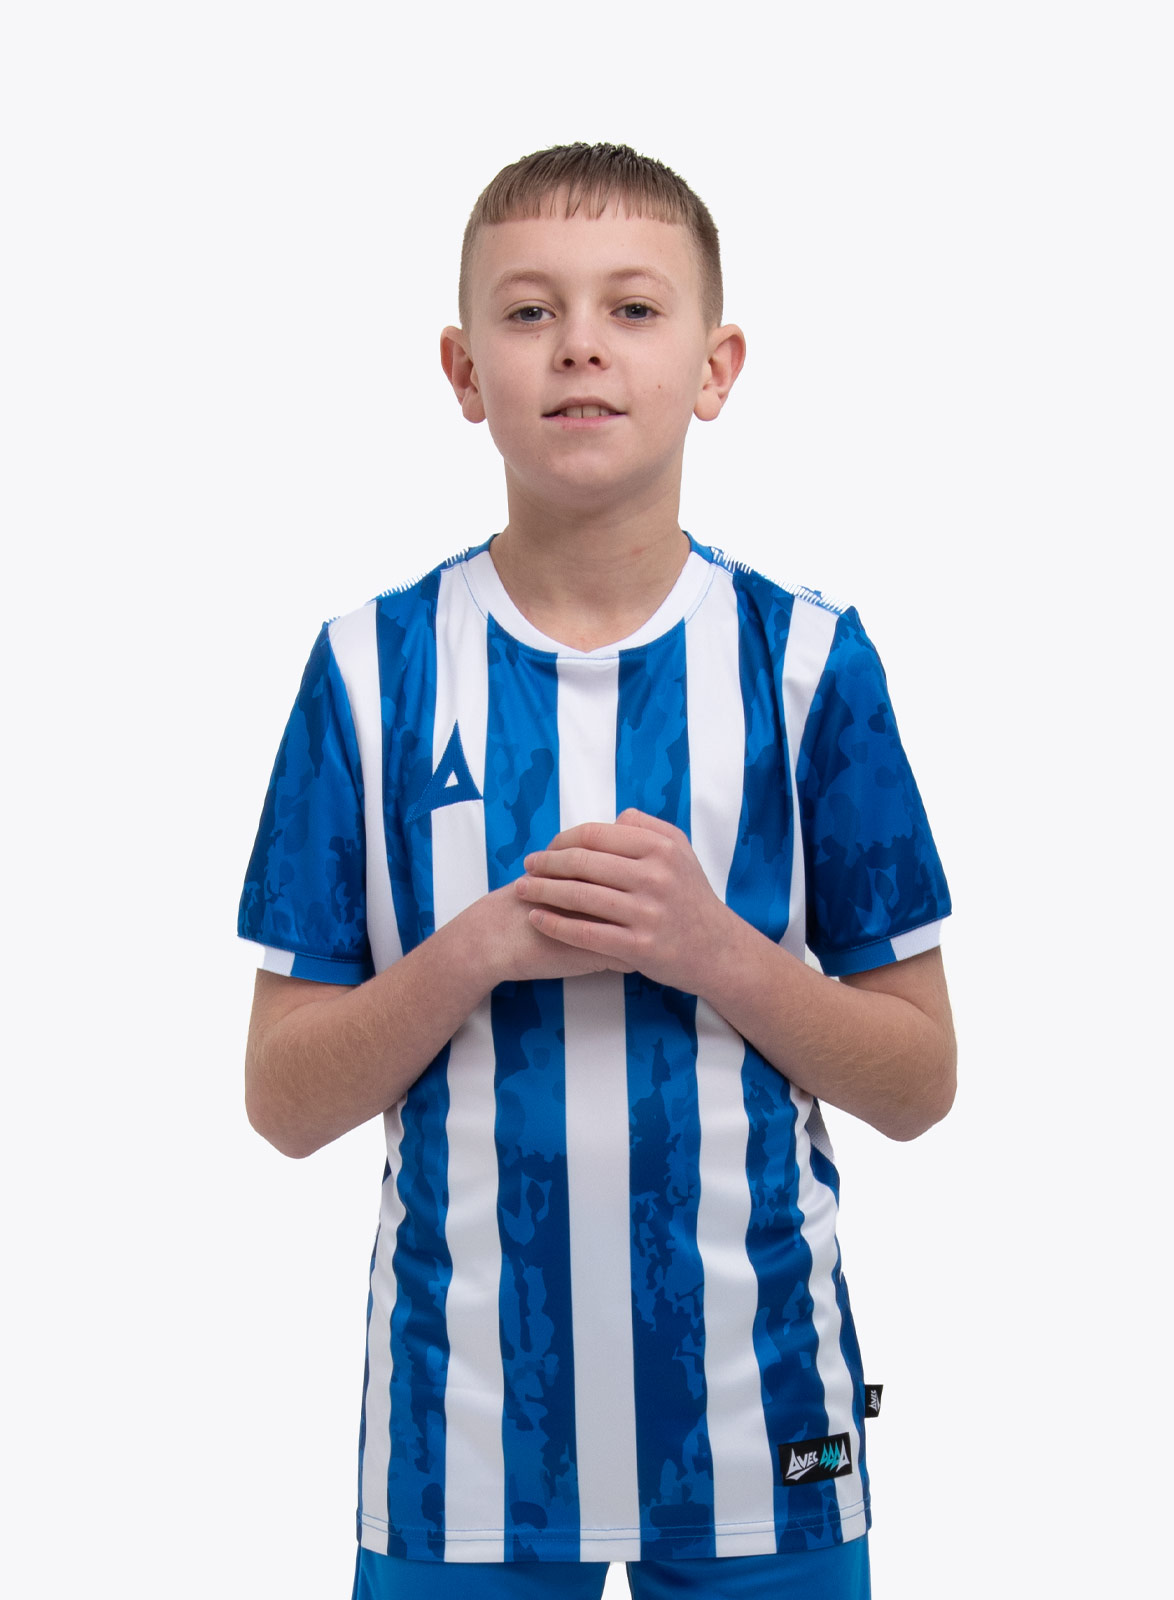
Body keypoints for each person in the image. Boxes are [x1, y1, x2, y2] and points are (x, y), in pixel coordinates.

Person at [238, 142, 954, 1600]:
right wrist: (477, 948)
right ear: (462, 370)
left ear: (715, 366)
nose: (580, 344)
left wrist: (715, 949)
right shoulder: (369, 671)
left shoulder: (808, 665)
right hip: (457, 1450)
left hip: (769, 1431)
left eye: (633, 307)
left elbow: (920, 1082)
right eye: (529, 311)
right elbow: (282, 1103)